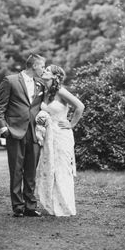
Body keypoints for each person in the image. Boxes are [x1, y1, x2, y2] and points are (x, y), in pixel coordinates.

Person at [0, 54, 46, 217]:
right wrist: (3, 128)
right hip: (15, 131)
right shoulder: (10, 81)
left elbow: (37, 107)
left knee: (31, 170)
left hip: (34, 131)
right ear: (35, 65)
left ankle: (30, 206)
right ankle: (18, 206)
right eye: (43, 66)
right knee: (16, 170)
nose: (44, 69)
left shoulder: (40, 84)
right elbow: (0, 106)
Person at [35, 65, 85, 217]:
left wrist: (71, 123)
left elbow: (80, 106)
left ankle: (64, 207)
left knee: (62, 169)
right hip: (49, 136)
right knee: (49, 168)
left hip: (62, 135)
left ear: (55, 76)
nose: (44, 71)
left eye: (47, 70)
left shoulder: (60, 91)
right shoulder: (45, 93)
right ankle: (49, 206)